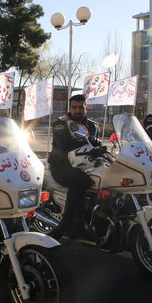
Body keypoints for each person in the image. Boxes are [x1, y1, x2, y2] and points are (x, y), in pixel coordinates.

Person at [48, 94, 102, 237]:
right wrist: (91, 142)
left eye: (81, 107)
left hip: (86, 166)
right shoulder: (60, 124)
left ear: (86, 108)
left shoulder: (93, 126)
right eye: (74, 107)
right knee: (81, 179)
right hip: (61, 167)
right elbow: (65, 143)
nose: (77, 110)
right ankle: (66, 223)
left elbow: (97, 144)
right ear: (69, 108)